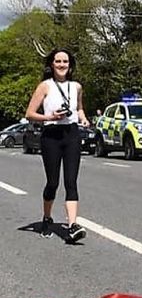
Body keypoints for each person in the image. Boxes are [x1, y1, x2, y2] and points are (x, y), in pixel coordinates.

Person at [25, 48, 89, 242]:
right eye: (58, 61)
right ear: (52, 64)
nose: (62, 65)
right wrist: (49, 117)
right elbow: (30, 113)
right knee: (53, 182)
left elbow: (79, 108)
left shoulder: (76, 86)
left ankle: (72, 225)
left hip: (71, 135)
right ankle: (47, 218)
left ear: (70, 65)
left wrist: (83, 119)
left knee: (71, 181)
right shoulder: (45, 86)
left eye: (65, 62)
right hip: (51, 135)